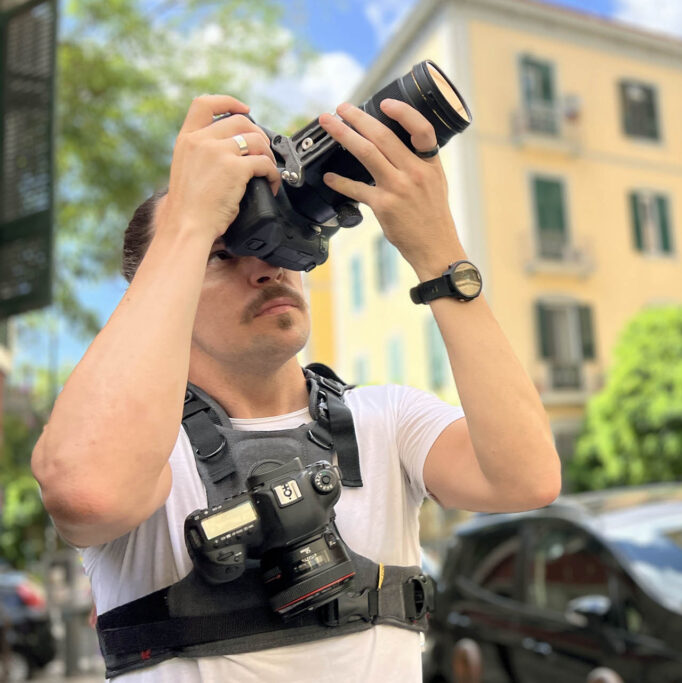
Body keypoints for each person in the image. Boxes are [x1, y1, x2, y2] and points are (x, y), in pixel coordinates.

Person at [31, 94, 562, 682]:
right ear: (160, 288)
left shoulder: (384, 419)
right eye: (218, 253)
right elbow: (86, 494)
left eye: (274, 234)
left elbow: (528, 478)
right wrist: (188, 219)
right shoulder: (143, 449)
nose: (266, 264)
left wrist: (440, 252)